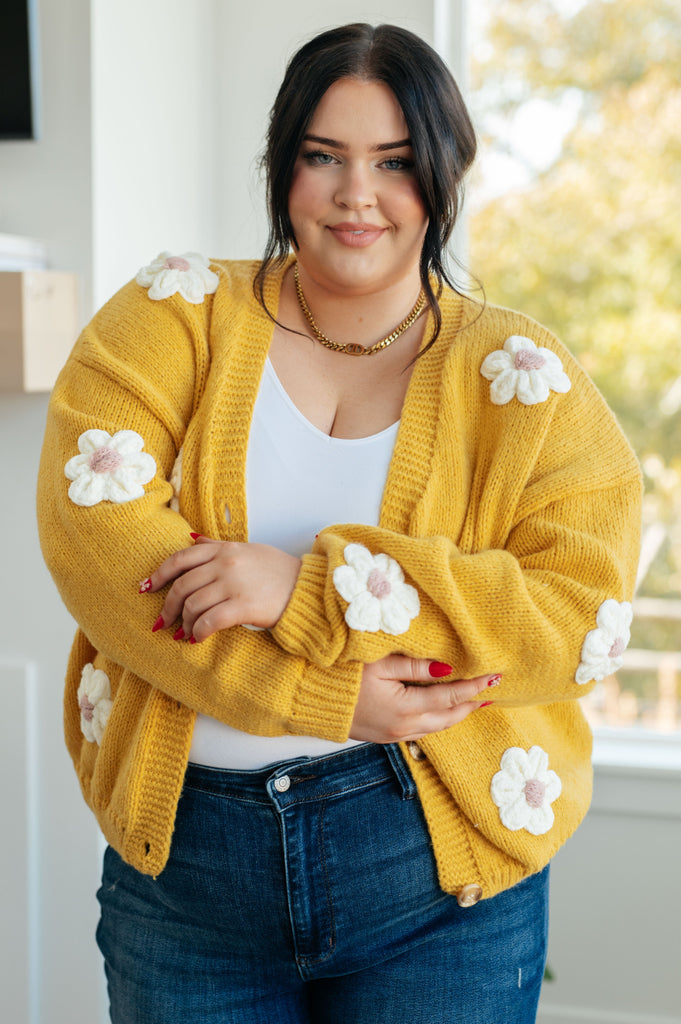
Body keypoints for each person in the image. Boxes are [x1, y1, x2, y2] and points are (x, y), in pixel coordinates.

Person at [37, 22, 641, 1024]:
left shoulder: (525, 378)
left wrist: (303, 584)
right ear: (283, 167)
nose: (357, 195)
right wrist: (324, 693)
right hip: (187, 889)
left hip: (440, 896)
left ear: (444, 174)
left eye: (395, 163)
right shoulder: (172, 313)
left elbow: (576, 617)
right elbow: (98, 549)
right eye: (325, 157)